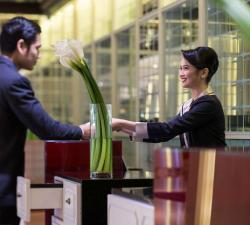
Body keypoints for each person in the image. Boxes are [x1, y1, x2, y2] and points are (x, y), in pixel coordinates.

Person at [0, 16, 90, 225]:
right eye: (37, 48)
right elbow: (47, 129)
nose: (38, 55)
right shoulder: (14, 82)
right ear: (21, 45)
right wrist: (83, 130)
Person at [112, 46, 226, 148]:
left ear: (204, 73)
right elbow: (164, 135)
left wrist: (120, 124)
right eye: (180, 68)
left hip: (212, 169)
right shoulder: (188, 105)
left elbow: (167, 130)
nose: (181, 74)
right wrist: (120, 127)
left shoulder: (209, 104)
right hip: (196, 167)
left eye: (186, 68)